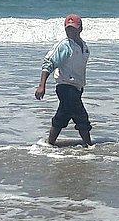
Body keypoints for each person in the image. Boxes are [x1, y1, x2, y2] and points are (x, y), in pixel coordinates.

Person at [34, 14, 92, 146]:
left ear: (80, 29)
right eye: (68, 29)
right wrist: (42, 85)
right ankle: (89, 146)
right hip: (65, 87)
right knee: (81, 116)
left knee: (63, 115)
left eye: (73, 28)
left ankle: (49, 144)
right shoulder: (64, 46)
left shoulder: (84, 46)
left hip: (77, 88)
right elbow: (49, 63)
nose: (70, 31)